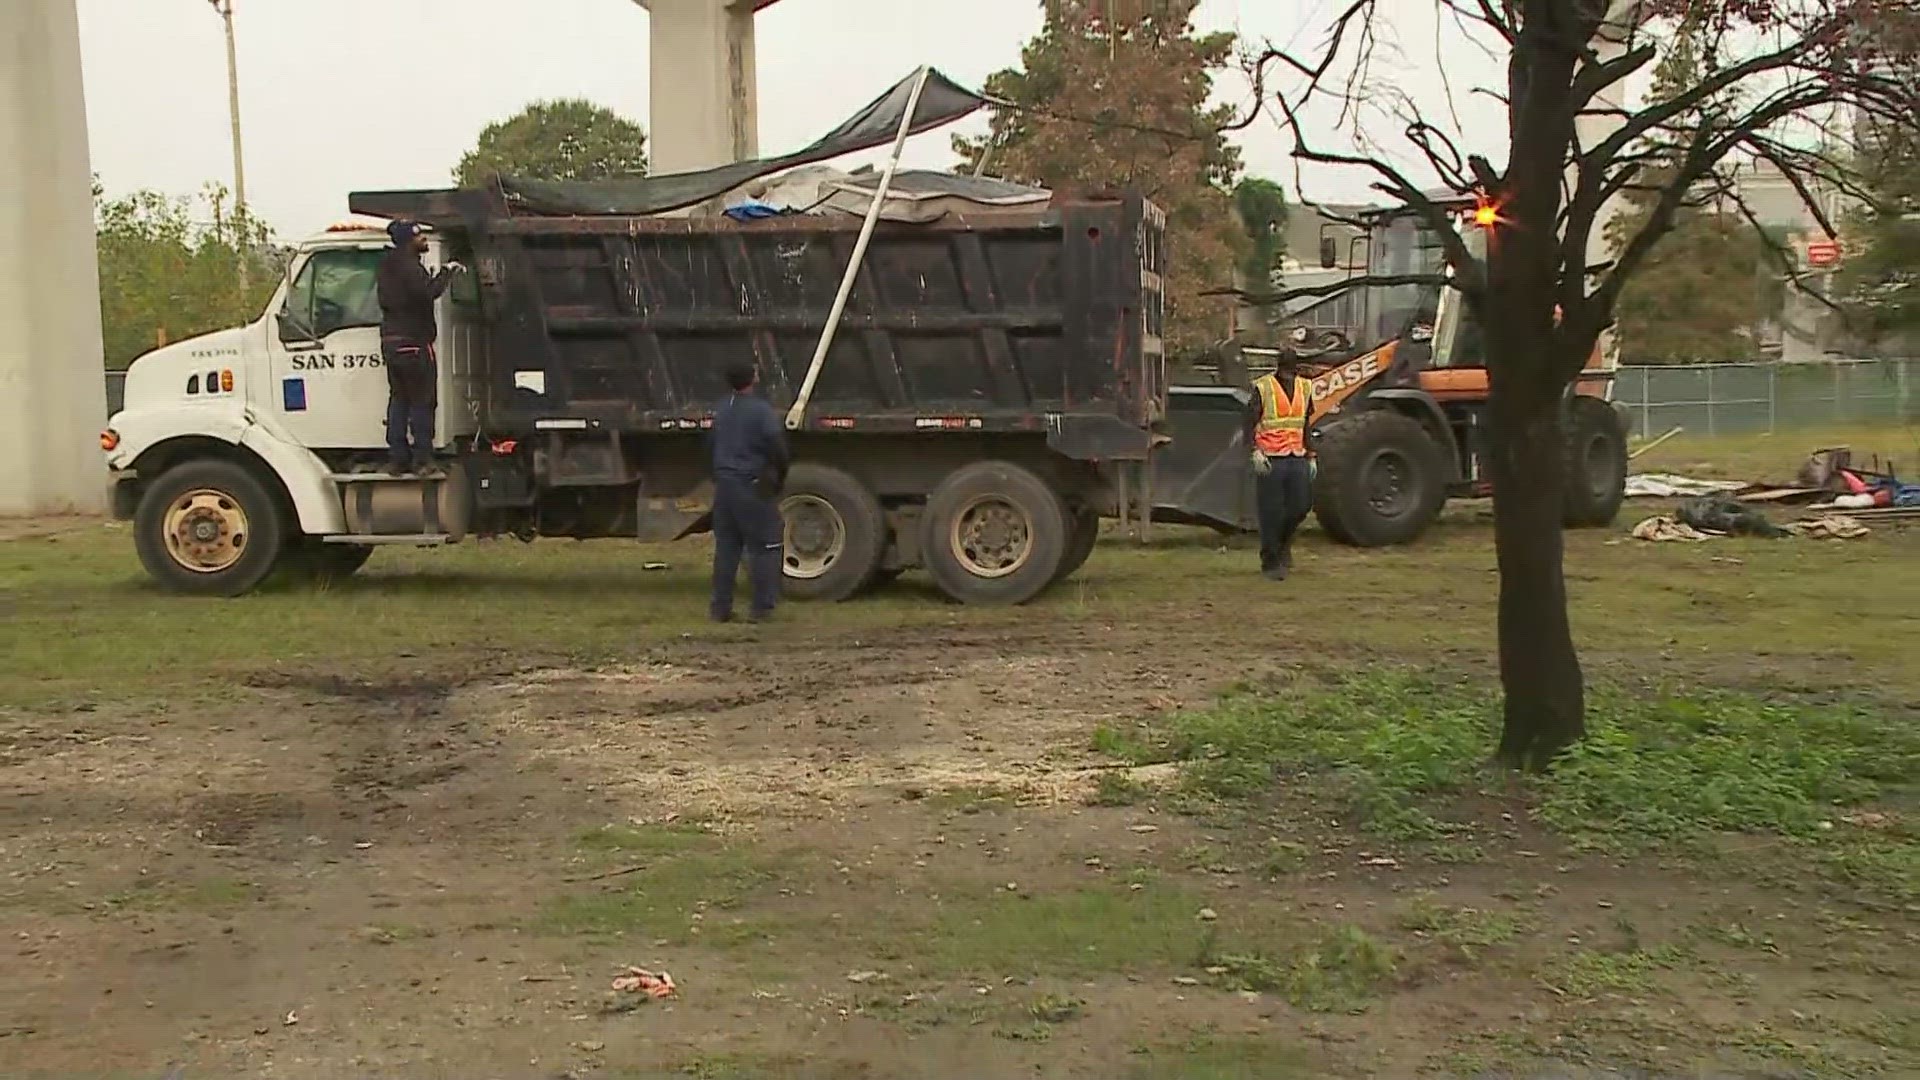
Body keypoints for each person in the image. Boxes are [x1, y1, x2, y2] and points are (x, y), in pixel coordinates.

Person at [376, 220, 463, 475]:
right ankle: (423, 460)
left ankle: (397, 459)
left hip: (391, 343)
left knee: (399, 400)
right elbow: (427, 293)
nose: (423, 239)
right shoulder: (409, 266)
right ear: (408, 241)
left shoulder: (385, 267)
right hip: (414, 343)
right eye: (419, 236)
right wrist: (447, 271)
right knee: (422, 402)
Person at [708, 361, 790, 623]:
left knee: (727, 547)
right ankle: (762, 608)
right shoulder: (760, 410)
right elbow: (777, 446)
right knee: (766, 545)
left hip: (725, 484)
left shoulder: (722, 408)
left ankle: (720, 608)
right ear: (753, 378)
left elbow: (708, 444)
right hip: (750, 483)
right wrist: (778, 477)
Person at [1244, 349, 1317, 580]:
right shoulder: (1263, 387)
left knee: (1301, 506)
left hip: (1296, 455)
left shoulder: (1305, 388)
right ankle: (1271, 562)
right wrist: (1254, 452)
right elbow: (1248, 423)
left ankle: (1283, 544)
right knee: (1271, 512)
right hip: (1270, 458)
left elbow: (1304, 423)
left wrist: (1311, 454)